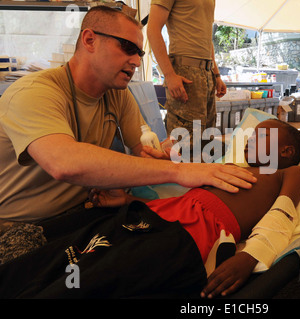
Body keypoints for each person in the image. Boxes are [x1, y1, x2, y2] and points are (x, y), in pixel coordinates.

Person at [0, 6, 256, 223]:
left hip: (88, 212)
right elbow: (64, 163)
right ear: (89, 40)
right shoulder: (34, 91)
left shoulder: (117, 94)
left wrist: (167, 154)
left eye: (140, 53)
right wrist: (179, 172)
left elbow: (144, 153)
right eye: (126, 47)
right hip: (22, 225)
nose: (135, 61)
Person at [89, 119, 300, 298]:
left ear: (286, 151)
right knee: (97, 248)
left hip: (199, 230)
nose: (250, 140)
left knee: (126, 270)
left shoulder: (289, 173)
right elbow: (184, 205)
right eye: (250, 135)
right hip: (163, 213)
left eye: (262, 136)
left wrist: (251, 255)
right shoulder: (228, 168)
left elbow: (283, 213)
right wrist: (128, 199)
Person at [147, 0, 227, 159]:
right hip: (185, 72)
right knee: (184, 143)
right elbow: (152, 29)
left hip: (207, 72)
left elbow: (206, 38)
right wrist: (169, 75)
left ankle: (202, 182)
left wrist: (216, 74)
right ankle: (181, 183)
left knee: (206, 140)